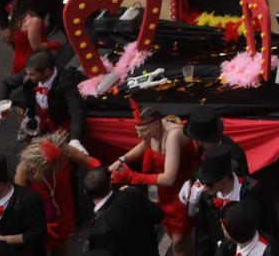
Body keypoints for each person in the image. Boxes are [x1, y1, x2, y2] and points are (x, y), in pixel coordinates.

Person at [107, 105, 198, 256]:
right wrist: (122, 159)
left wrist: (132, 177)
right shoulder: (153, 131)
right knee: (174, 235)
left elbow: (169, 178)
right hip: (160, 190)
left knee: (179, 242)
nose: (138, 134)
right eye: (137, 129)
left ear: (156, 124)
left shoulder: (173, 135)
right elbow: (144, 145)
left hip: (181, 192)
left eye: (142, 130)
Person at [83, 166, 164, 256]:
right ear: (110, 183)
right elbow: (159, 215)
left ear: (86, 192)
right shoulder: (132, 194)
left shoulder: (98, 230)